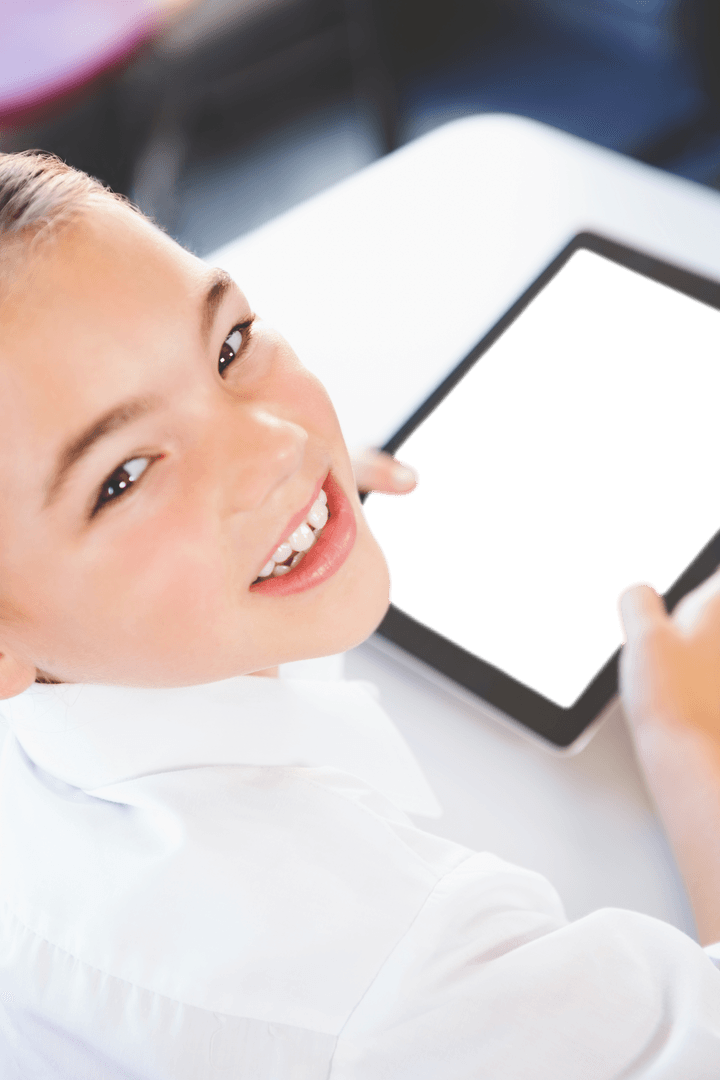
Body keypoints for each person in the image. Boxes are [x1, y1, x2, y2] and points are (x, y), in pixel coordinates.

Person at [0, 149, 717, 1079]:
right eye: (124, 477)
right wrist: (691, 748)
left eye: (226, 348)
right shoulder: (394, 979)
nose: (278, 446)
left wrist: (290, 515)